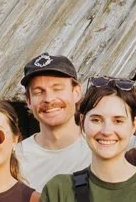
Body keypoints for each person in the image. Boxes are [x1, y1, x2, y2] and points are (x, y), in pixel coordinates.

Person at [15, 54, 91, 190]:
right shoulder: (15, 158)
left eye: (57, 89)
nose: (49, 99)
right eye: (38, 92)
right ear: (28, 100)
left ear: (76, 92)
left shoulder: (104, 145)